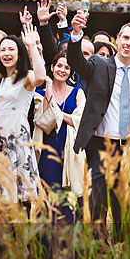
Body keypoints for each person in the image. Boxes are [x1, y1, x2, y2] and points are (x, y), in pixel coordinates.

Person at [67, 12, 130, 240]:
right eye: (125, 38)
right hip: (100, 144)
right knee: (96, 198)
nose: (129, 43)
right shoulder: (99, 64)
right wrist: (76, 34)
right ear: (117, 39)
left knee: (123, 203)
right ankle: (96, 245)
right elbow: (76, 62)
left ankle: (121, 245)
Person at [0, 25, 46, 205]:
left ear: (19, 54)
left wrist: (33, 46)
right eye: (2, 49)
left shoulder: (27, 77)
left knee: (19, 194)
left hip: (17, 136)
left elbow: (41, 76)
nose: (6, 53)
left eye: (11, 49)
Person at [34, 52, 86, 223]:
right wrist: (48, 87)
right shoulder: (40, 93)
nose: (62, 70)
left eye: (67, 67)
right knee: (49, 194)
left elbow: (81, 121)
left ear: (71, 72)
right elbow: (43, 120)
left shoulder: (78, 93)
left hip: (70, 151)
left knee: (69, 197)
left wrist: (58, 114)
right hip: (48, 149)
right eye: (59, 66)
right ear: (52, 67)